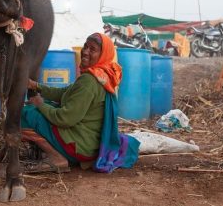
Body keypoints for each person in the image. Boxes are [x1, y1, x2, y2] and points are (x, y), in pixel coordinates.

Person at [21, 32, 140, 173]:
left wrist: (40, 104)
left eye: (93, 49)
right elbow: (65, 93)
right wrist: (36, 86)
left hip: (80, 146)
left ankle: (57, 158)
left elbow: (65, 118)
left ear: (103, 54)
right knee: (45, 107)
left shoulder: (89, 81)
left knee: (24, 114)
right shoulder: (100, 74)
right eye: (85, 46)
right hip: (91, 142)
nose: (85, 52)